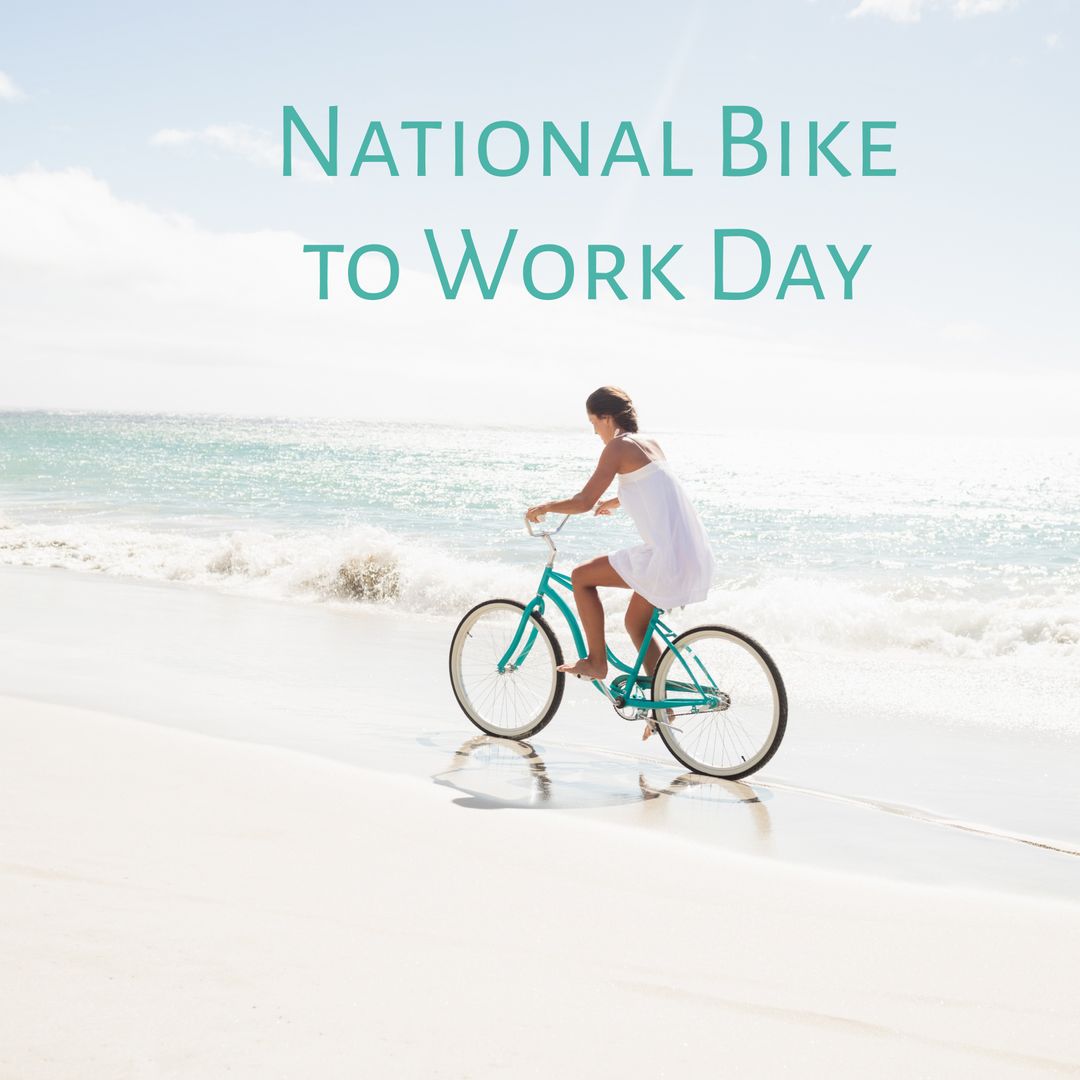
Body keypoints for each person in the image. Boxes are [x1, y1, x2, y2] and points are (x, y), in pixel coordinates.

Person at [525, 387, 715, 739]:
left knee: (581, 577)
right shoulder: (650, 444)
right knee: (635, 623)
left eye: (593, 423)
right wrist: (617, 499)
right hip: (690, 552)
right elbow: (653, 489)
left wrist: (545, 507)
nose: (593, 431)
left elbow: (583, 501)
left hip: (665, 557)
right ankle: (664, 708)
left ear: (606, 418)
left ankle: (596, 662)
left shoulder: (617, 447)